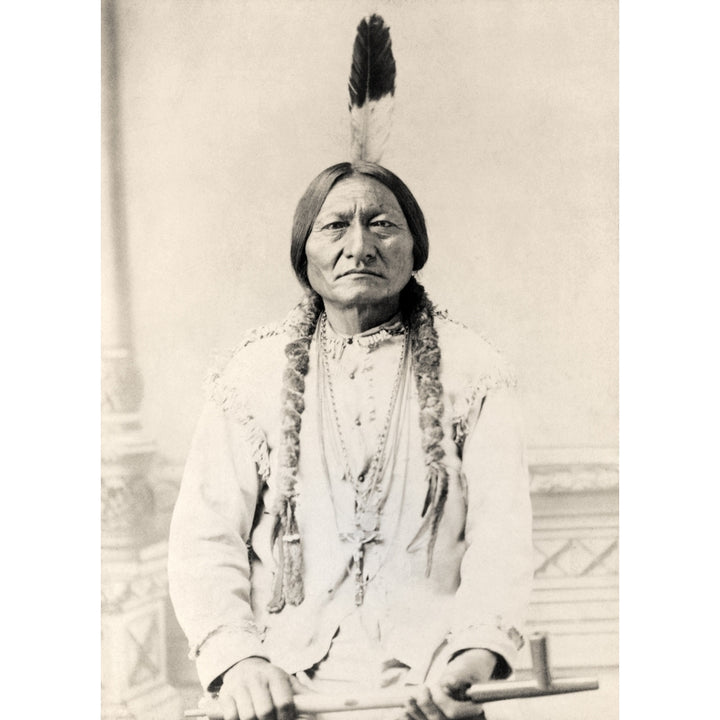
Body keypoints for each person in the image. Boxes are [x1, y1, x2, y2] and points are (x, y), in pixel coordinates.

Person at [168, 161, 533, 720]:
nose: (359, 246)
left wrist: (472, 656)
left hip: (431, 687)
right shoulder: (251, 376)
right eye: (336, 226)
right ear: (303, 255)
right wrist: (239, 662)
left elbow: (502, 538)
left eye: (382, 224)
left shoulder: (475, 372)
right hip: (281, 689)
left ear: (415, 249)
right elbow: (204, 537)